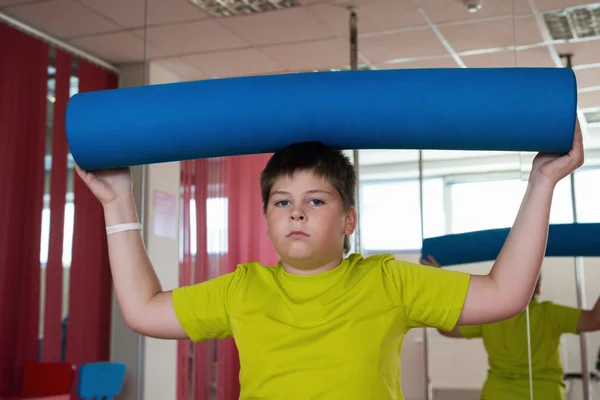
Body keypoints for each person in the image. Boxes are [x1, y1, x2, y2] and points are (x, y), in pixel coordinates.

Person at [75, 121, 583, 399]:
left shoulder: (386, 281)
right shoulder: (241, 288)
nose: (297, 212)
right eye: (282, 202)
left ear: (348, 221)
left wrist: (542, 182)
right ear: (268, 220)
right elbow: (142, 310)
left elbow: (507, 293)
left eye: (316, 200)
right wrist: (118, 204)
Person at [420, 257, 600, 400]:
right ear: (538, 288)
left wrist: (438, 282)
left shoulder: (489, 313)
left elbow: (446, 328)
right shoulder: (550, 314)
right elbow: (594, 320)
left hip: (499, 394)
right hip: (544, 394)